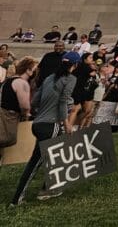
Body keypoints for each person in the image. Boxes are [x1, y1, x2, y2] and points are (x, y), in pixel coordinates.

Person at [10, 55, 76, 206]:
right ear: (75, 65)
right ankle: (17, 199)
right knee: (36, 163)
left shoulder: (49, 78)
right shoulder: (70, 79)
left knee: (57, 156)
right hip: (51, 125)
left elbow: (34, 101)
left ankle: (48, 189)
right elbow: (63, 101)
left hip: (38, 123)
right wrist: (66, 123)